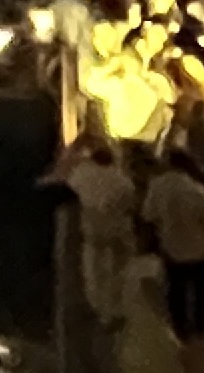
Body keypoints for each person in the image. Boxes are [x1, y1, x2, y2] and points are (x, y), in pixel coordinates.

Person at [53, 129, 140, 332]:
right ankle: (117, 310)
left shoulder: (82, 175)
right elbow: (131, 201)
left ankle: (100, 311)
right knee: (120, 270)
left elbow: (66, 184)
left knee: (95, 270)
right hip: (118, 229)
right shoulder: (120, 179)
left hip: (92, 228)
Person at [146, 148, 204, 344]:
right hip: (200, 248)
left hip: (171, 247)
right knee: (200, 292)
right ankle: (199, 329)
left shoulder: (157, 187)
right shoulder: (196, 189)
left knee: (176, 291)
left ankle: (180, 331)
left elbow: (148, 215)